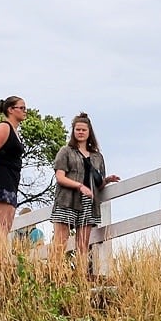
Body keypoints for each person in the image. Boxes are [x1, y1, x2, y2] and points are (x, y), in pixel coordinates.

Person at [49, 113, 119, 273]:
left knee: (83, 243)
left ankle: (81, 276)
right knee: (61, 240)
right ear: (73, 131)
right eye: (77, 129)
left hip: (88, 201)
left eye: (83, 129)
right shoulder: (66, 151)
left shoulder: (97, 156)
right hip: (67, 199)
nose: (80, 132)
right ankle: (53, 274)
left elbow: (98, 184)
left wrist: (106, 180)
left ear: (89, 132)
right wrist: (79, 186)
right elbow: (60, 177)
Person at [0, 96, 27, 263]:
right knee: (0, 222)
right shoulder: (4, 127)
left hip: (11, 179)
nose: (24, 111)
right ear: (10, 109)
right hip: (0, 178)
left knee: (7, 222)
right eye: (21, 108)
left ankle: (1, 256)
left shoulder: (15, 131)